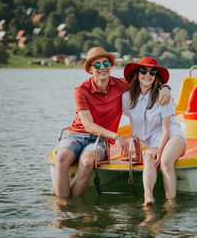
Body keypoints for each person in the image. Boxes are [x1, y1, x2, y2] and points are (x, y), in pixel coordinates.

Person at [55, 47, 172, 197]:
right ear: (90, 70)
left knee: (87, 161)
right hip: (76, 135)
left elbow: (146, 82)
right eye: (97, 65)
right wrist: (116, 136)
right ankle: (63, 209)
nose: (102, 67)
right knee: (61, 157)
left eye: (105, 63)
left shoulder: (122, 85)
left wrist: (166, 88)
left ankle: (74, 207)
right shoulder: (81, 90)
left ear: (110, 66)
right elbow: (87, 125)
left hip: (101, 140)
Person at [122, 57, 186, 205]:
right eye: (143, 70)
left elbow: (166, 129)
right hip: (150, 142)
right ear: (137, 73)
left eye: (152, 72)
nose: (147, 75)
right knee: (149, 158)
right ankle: (148, 197)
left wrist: (160, 148)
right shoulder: (126, 98)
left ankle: (171, 202)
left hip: (171, 136)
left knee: (165, 161)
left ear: (156, 76)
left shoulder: (162, 96)